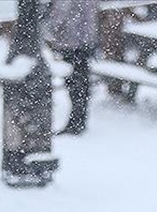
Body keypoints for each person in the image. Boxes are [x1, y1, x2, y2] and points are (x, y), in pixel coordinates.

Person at [46, 0, 99, 135]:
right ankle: (79, 119)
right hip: (85, 38)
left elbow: (60, 15)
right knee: (81, 82)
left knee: (75, 83)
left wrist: (52, 31)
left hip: (72, 40)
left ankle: (76, 121)